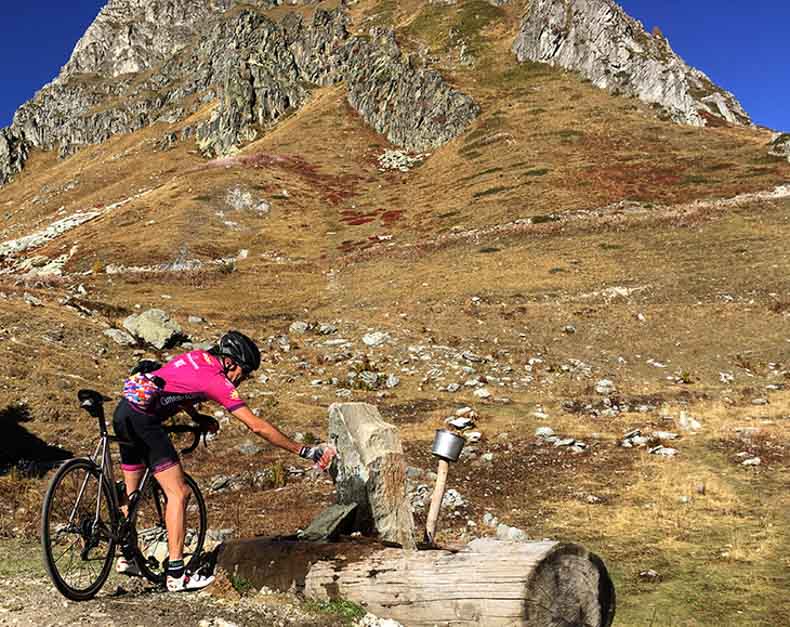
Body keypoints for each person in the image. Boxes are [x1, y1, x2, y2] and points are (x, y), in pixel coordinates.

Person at [112, 330, 335, 592]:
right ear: (230, 362)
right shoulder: (217, 381)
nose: (244, 378)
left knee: (132, 493)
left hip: (124, 411)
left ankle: (128, 558)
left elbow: (175, 384)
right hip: (144, 421)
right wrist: (303, 450)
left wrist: (196, 417)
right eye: (245, 371)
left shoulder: (196, 357)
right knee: (178, 493)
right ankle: (176, 574)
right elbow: (256, 426)